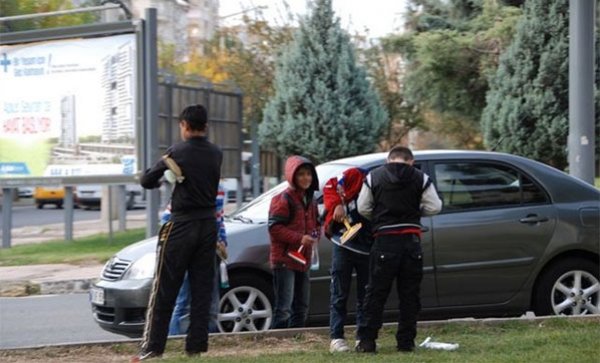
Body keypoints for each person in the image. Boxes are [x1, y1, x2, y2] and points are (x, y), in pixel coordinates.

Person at [133, 104, 222, 362]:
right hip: (208, 225)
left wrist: (165, 174)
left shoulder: (176, 152)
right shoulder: (216, 153)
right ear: (206, 126)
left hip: (181, 225)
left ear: (184, 125)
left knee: (165, 287)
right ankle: (196, 347)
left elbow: (147, 180)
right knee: (201, 288)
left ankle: (153, 347)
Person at [355, 146, 442, 354]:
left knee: (376, 293)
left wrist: (380, 217)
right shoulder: (421, 178)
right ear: (410, 161)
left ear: (388, 160)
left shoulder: (373, 177)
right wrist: (414, 212)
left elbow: (362, 207)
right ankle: (405, 342)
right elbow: (435, 206)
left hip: (384, 240)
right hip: (411, 242)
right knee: (409, 295)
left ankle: (367, 342)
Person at [322, 167, 373, 353]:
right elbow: (330, 185)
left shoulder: (381, 182)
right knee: (339, 292)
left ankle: (363, 337)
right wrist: (336, 204)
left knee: (365, 295)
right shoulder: (356, 174)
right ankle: (336, 338)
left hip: (367, 247)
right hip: (343, 244)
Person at [268, 155, 320, 329]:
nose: (306, 178)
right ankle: (278, 342)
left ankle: (296, 340)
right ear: (292, 176)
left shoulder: (311, 199)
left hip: (303, 259)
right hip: (284, 260)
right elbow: (274, 228)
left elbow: (316, 223)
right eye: (301, 174)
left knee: (302, 306)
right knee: (284, 308)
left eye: (309, 174)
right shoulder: (283, 199)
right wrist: (300, 238)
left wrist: (315, 235)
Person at [168, 183, 227, 335]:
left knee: (210, 301)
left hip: (211, 251)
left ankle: (208, 338)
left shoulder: (219, 189)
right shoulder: (189, 187)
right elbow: (168, 218)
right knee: (184, 300)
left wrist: (222, 240)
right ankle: (174, 339)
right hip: (189, 250)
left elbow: (219, 217)